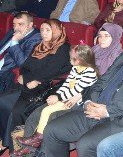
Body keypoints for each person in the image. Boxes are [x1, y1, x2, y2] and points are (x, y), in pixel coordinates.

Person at [39, 28, 123, 157]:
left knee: (85, 144)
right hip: (94, 109)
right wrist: (89, 101)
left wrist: (106, 110)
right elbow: (102, 80)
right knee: (52, 130)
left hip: (119, 118)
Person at [0, 20, 71, 153]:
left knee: (16, 110)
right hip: (29, 84)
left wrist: (28, 78)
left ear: (58, 31)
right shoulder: (40, 46)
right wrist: (24, 76)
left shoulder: (63, 48)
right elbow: (26, 65)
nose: (43, 33)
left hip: (44, 87)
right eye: (42, 30)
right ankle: (3, 138)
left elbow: (51, 71)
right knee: (2, 100)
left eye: (48, 30)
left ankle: (12, 145)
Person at [15, 44, 98, 153]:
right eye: (70, 58)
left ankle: (37, 139)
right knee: (36, 113)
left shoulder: (90, 72)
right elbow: (66, 84)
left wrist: (58, 97)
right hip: (65, 98)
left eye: (73, 59)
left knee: (47, 112)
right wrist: (57, 95)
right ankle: (28, 148)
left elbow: (76, 90)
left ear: (83, 60)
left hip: (77, 103)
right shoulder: (75, 68)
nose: (70, 61)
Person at [0, 12, 42, 92]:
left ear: (30, 25)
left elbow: (23, 63)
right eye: (14, 24)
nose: (16, 28)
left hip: (4, 72)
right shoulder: (12, 31)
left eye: (20, 24)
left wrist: (14, 41)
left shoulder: (36, 38)